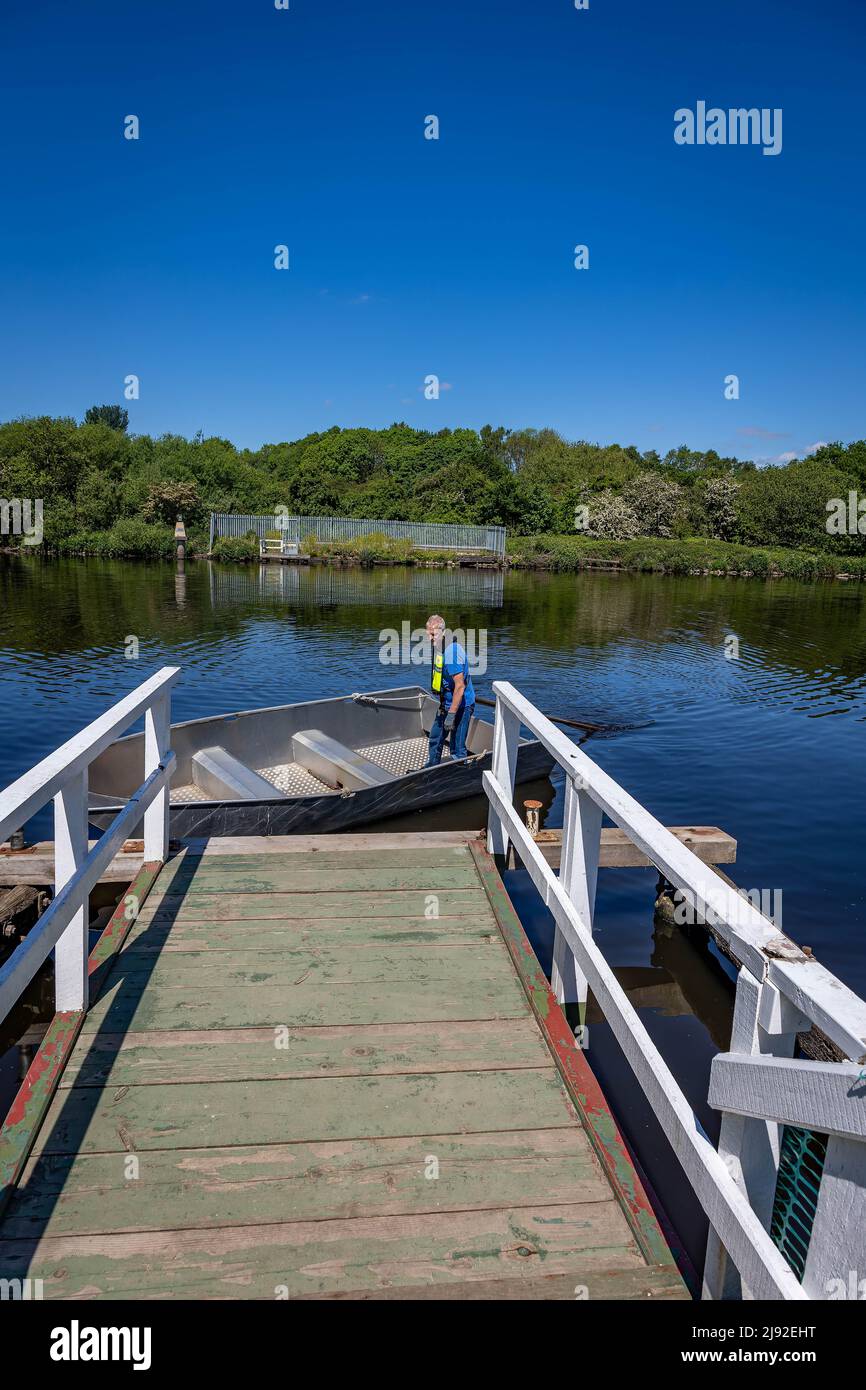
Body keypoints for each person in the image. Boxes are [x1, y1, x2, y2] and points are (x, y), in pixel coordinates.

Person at [424, 614, 476, 766]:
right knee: (435, 738)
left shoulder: (452, 653)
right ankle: (432, 769)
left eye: (433, 634)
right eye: (428, 634)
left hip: (461, 706)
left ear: (443, 632)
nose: (430, 638)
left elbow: (460, 687)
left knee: (457, 748)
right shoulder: (440, 648)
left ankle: (461, 775)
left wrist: (451, 715)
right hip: (446, 703)